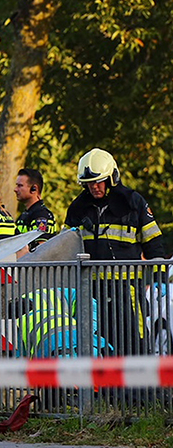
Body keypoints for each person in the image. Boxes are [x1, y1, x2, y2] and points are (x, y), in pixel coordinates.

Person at [63, 148, 165, 356]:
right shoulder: (77, 208)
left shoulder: (133, 203)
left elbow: (153, 241)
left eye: (99, 181)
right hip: (91, 288)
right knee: (98, 341)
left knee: (133, 338)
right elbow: (65, 246)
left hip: (127, 287)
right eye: (90, 183)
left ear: (111, 178)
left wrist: (159, 278)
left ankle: (139, 388)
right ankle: (107, 388)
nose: (94, 187)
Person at [14, 168, 56, 252]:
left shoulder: (41, 216)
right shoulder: (26, 214)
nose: (15, 189)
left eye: (20, 186)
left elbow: (41, 250)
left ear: (34, 189)